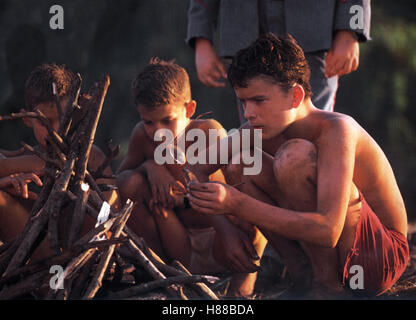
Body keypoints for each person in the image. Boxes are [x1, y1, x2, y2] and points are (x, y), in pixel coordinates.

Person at [186, 34, 409, 298]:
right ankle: (303, 276)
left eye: (258, 100)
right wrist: (225, 230)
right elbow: (194, 167)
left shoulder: (337, 130)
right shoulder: (259, 127)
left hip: (377, 258)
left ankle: (327, 286)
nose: (248, 113)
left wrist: (237, 204)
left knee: (293, 157)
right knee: (243, 164)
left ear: (295, 96)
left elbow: (328, 231)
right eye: (243, 102)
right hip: (334, 250)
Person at [116, 58, 267, 297]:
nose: (158, 131)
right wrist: (150, 166)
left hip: (222, 236)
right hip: (179, 243)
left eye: (167, 120)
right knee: (131, 183)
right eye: (148, 122)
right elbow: (121, 181)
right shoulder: (142, 138)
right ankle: (162, 276)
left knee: (252, 182)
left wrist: (227, 232)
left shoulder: (208, 131)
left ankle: (243, 284)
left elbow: (228, 190)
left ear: (188, 109)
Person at [0, 63, 118, 261]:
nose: (56, 130)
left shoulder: (91, 158)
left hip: (84, 260)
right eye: (44, 121)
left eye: (63, 118)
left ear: (77, 115)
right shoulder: (30, 157)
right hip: (37, 259)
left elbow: (106, 225)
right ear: (27, 119)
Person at [186, 0, 371, 114]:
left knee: (314, 134)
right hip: (246, 33)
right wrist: (201, 37)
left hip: (314, 40)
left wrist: (351, 29)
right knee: (255, 139)